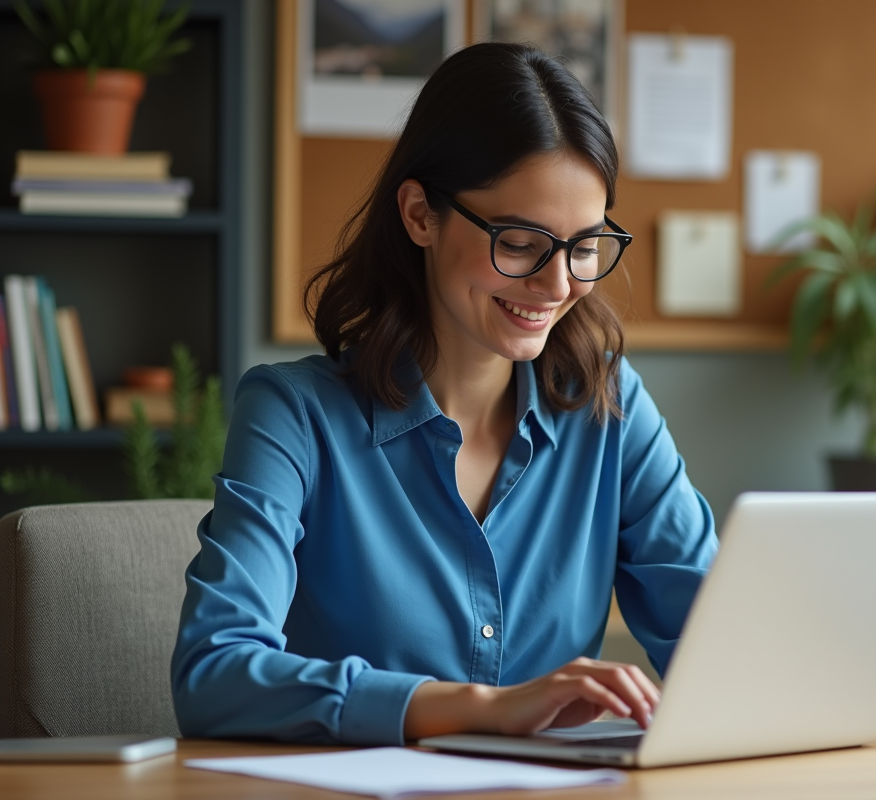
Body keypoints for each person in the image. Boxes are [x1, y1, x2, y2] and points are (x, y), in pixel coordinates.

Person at [170, 42, 717, 746]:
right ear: (421, 214)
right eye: (520, 243)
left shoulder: (609, 407)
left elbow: (716, 640)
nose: (558, 287)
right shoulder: (294, 416)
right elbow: (213, 675)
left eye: (584, 246)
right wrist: (479, 708)